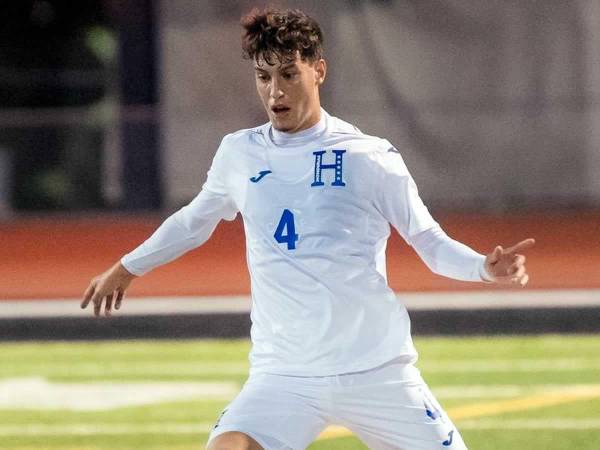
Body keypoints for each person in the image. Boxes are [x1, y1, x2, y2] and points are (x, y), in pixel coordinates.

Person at [81, 7, 535, 450]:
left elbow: (429, 242)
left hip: (377, 371)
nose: (275, 91)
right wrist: (128, 266)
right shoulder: (239, 153)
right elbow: (192, 222)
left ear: (318, 71)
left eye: (288, 74)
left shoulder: (368, 156)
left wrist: (483, 267)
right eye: (263, 77)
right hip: (284, 376)